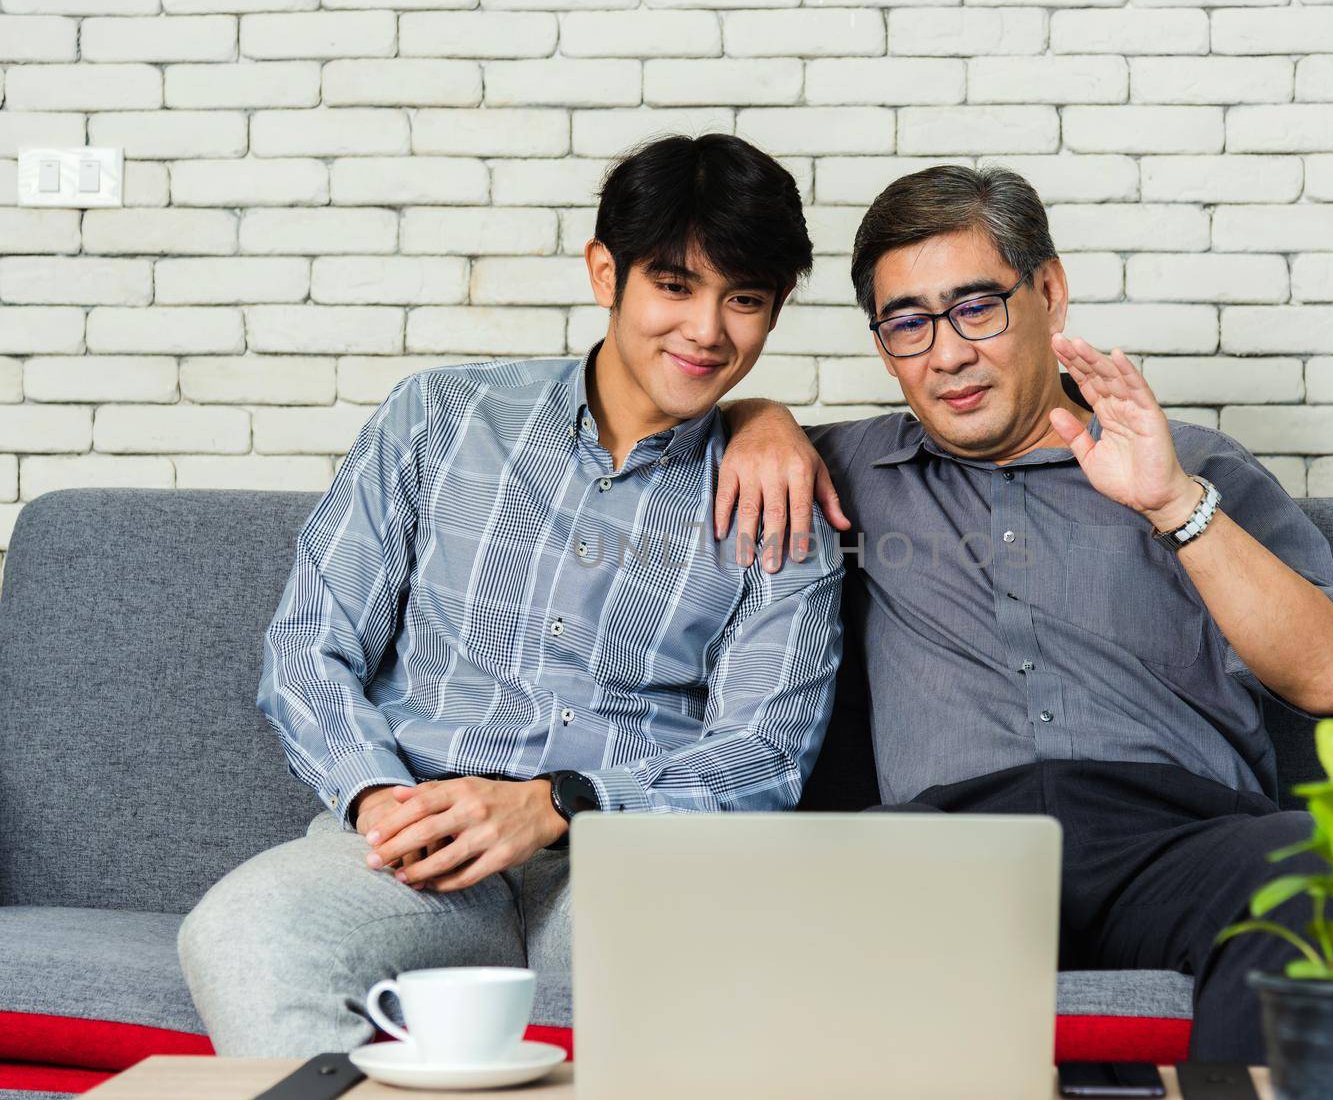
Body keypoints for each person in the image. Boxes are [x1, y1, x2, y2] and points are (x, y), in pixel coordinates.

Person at [177, 133, 845, 1056]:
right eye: (675, 286)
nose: (707, 332)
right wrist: (375, 796)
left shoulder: (776, 499)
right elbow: (307, 645)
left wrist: (560, 801)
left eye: (746, 301)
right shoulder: (438, 420)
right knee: (242, 935)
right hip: (415, 841)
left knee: (740, 980)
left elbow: (763, 756)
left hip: (625, 862)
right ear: (604, 272)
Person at [715, 163, 1333, 1064]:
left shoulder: (1194, 467)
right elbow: (681, 440)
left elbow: (1330, 677)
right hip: (952, 848)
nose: (946, 354)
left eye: (976, 307)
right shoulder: (844, 471)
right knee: (849, 874)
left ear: (1049, 294)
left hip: (1178, 837)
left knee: (1313, 867)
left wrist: (1172, 501)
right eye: (907, 324)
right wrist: (760, 415)